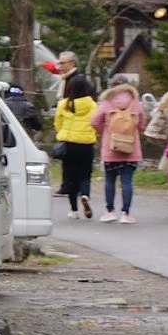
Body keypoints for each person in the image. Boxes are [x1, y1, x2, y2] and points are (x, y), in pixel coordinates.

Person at [51, 72, 101, 219]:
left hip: (68, 144)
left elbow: (57, 124)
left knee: (71, 177)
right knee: (85, 175)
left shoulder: (64, 104)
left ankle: (74, 210)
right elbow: (96, 123)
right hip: (86, 144)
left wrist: (64, 132)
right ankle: (85, 195)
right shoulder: (92, 105)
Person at [96, 74, 144, 222]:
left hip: (111, 148)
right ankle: (126, 214)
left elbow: (94, 121)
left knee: (110, 181)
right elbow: (142, 125)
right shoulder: (135, 103)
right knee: (127, 181)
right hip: (131, 149)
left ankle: (109, 211)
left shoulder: (107, 102)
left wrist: (104, 130)